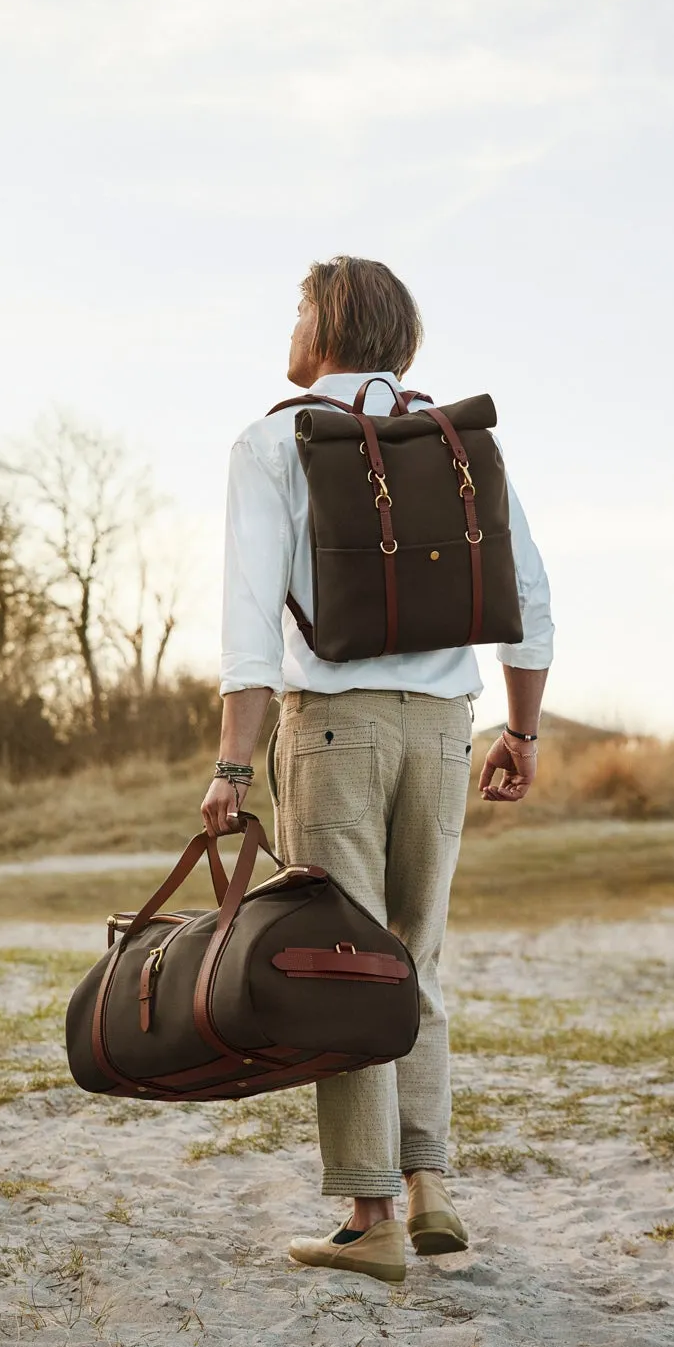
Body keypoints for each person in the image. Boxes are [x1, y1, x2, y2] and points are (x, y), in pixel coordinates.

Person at [201, 254, 555, 1282]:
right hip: (447, 727)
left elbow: (248, 623)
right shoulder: (454, 439)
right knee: (419, 956)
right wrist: (521, 733)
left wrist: (233, 764)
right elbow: (529, 591)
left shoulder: (274, 440)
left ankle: (372, 1216)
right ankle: (433, 1180)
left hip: (335, 729)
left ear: (325, 325)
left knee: (344, 967)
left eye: (300, 307)